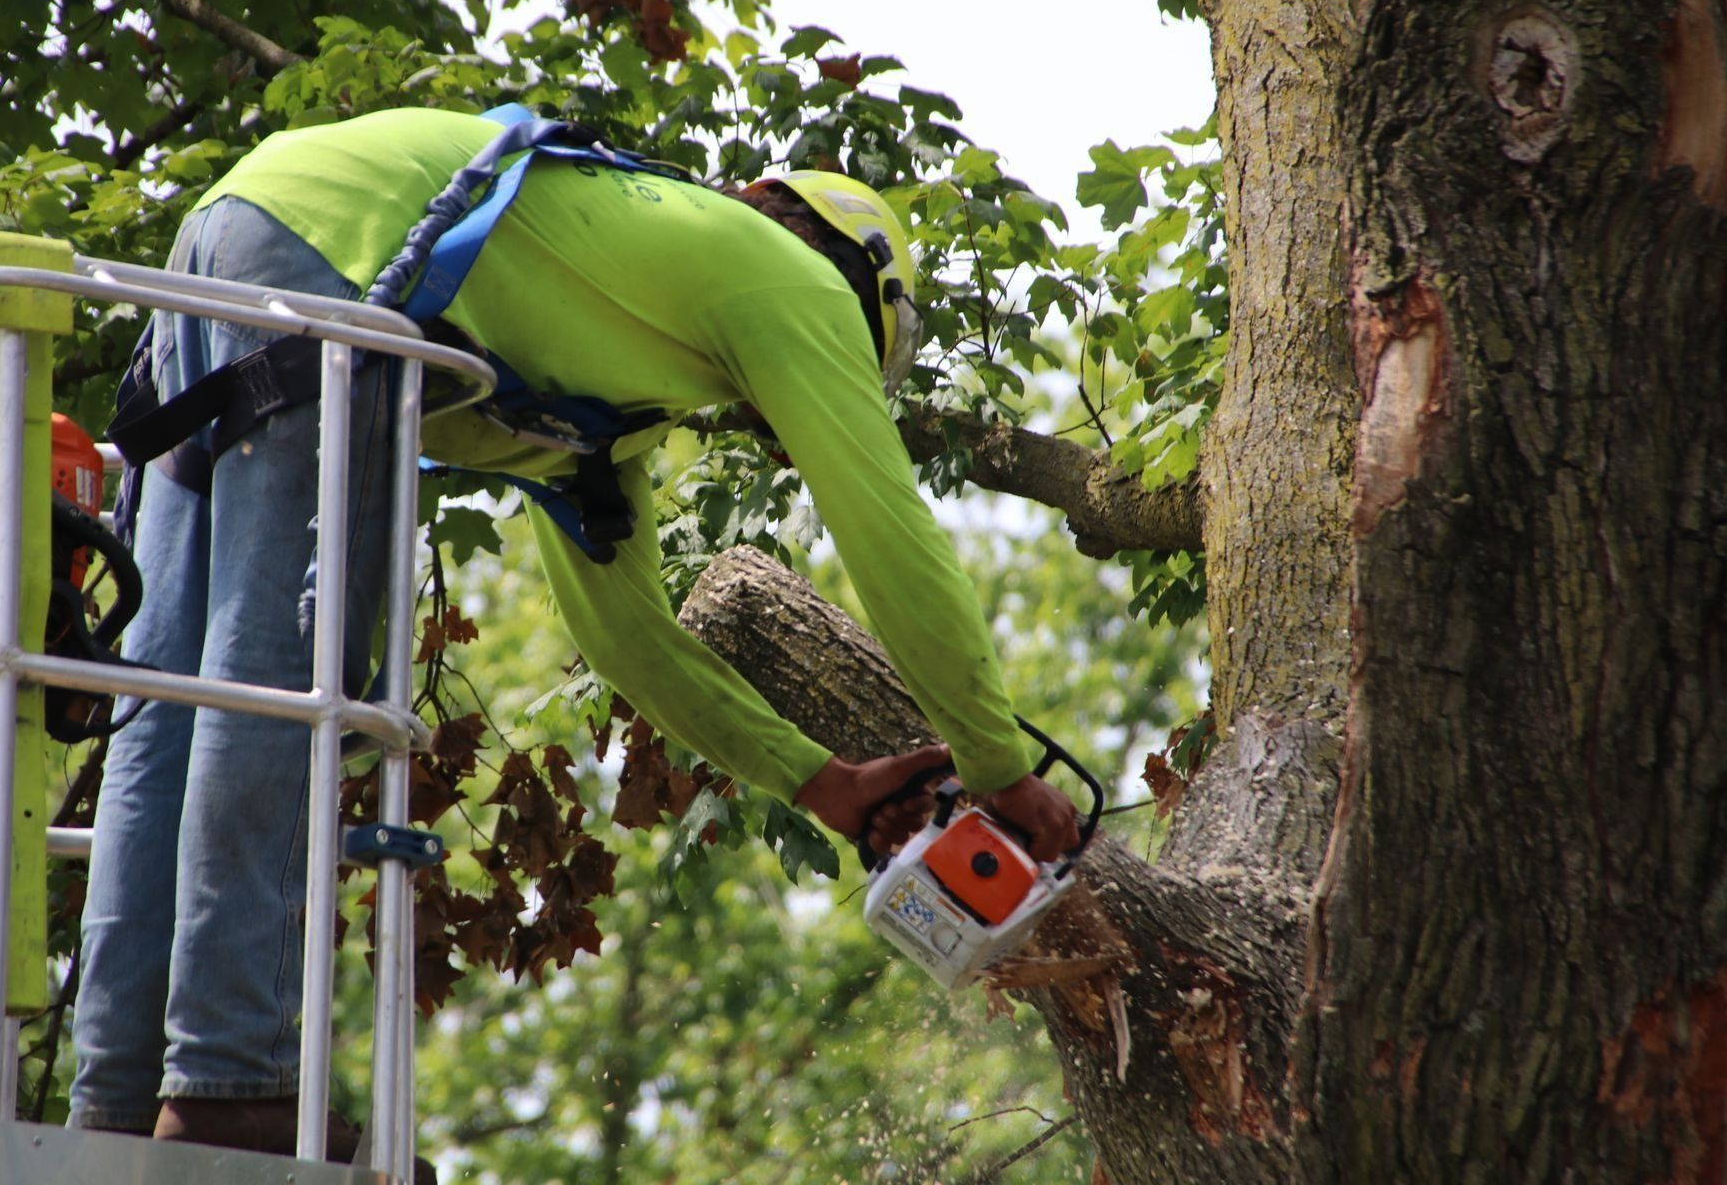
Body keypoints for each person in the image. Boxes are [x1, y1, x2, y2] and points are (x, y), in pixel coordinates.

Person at [67, 106, 1082, 1157]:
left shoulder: (599, 394)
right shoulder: (795, 278)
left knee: (169, 693)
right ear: (848, 279)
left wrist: (819, 780)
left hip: (237, 225)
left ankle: (115, 1090)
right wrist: (999, 766)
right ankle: (232, 1076)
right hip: (334, 254)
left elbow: (629, 640)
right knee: (284, 667)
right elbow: (891, 533)